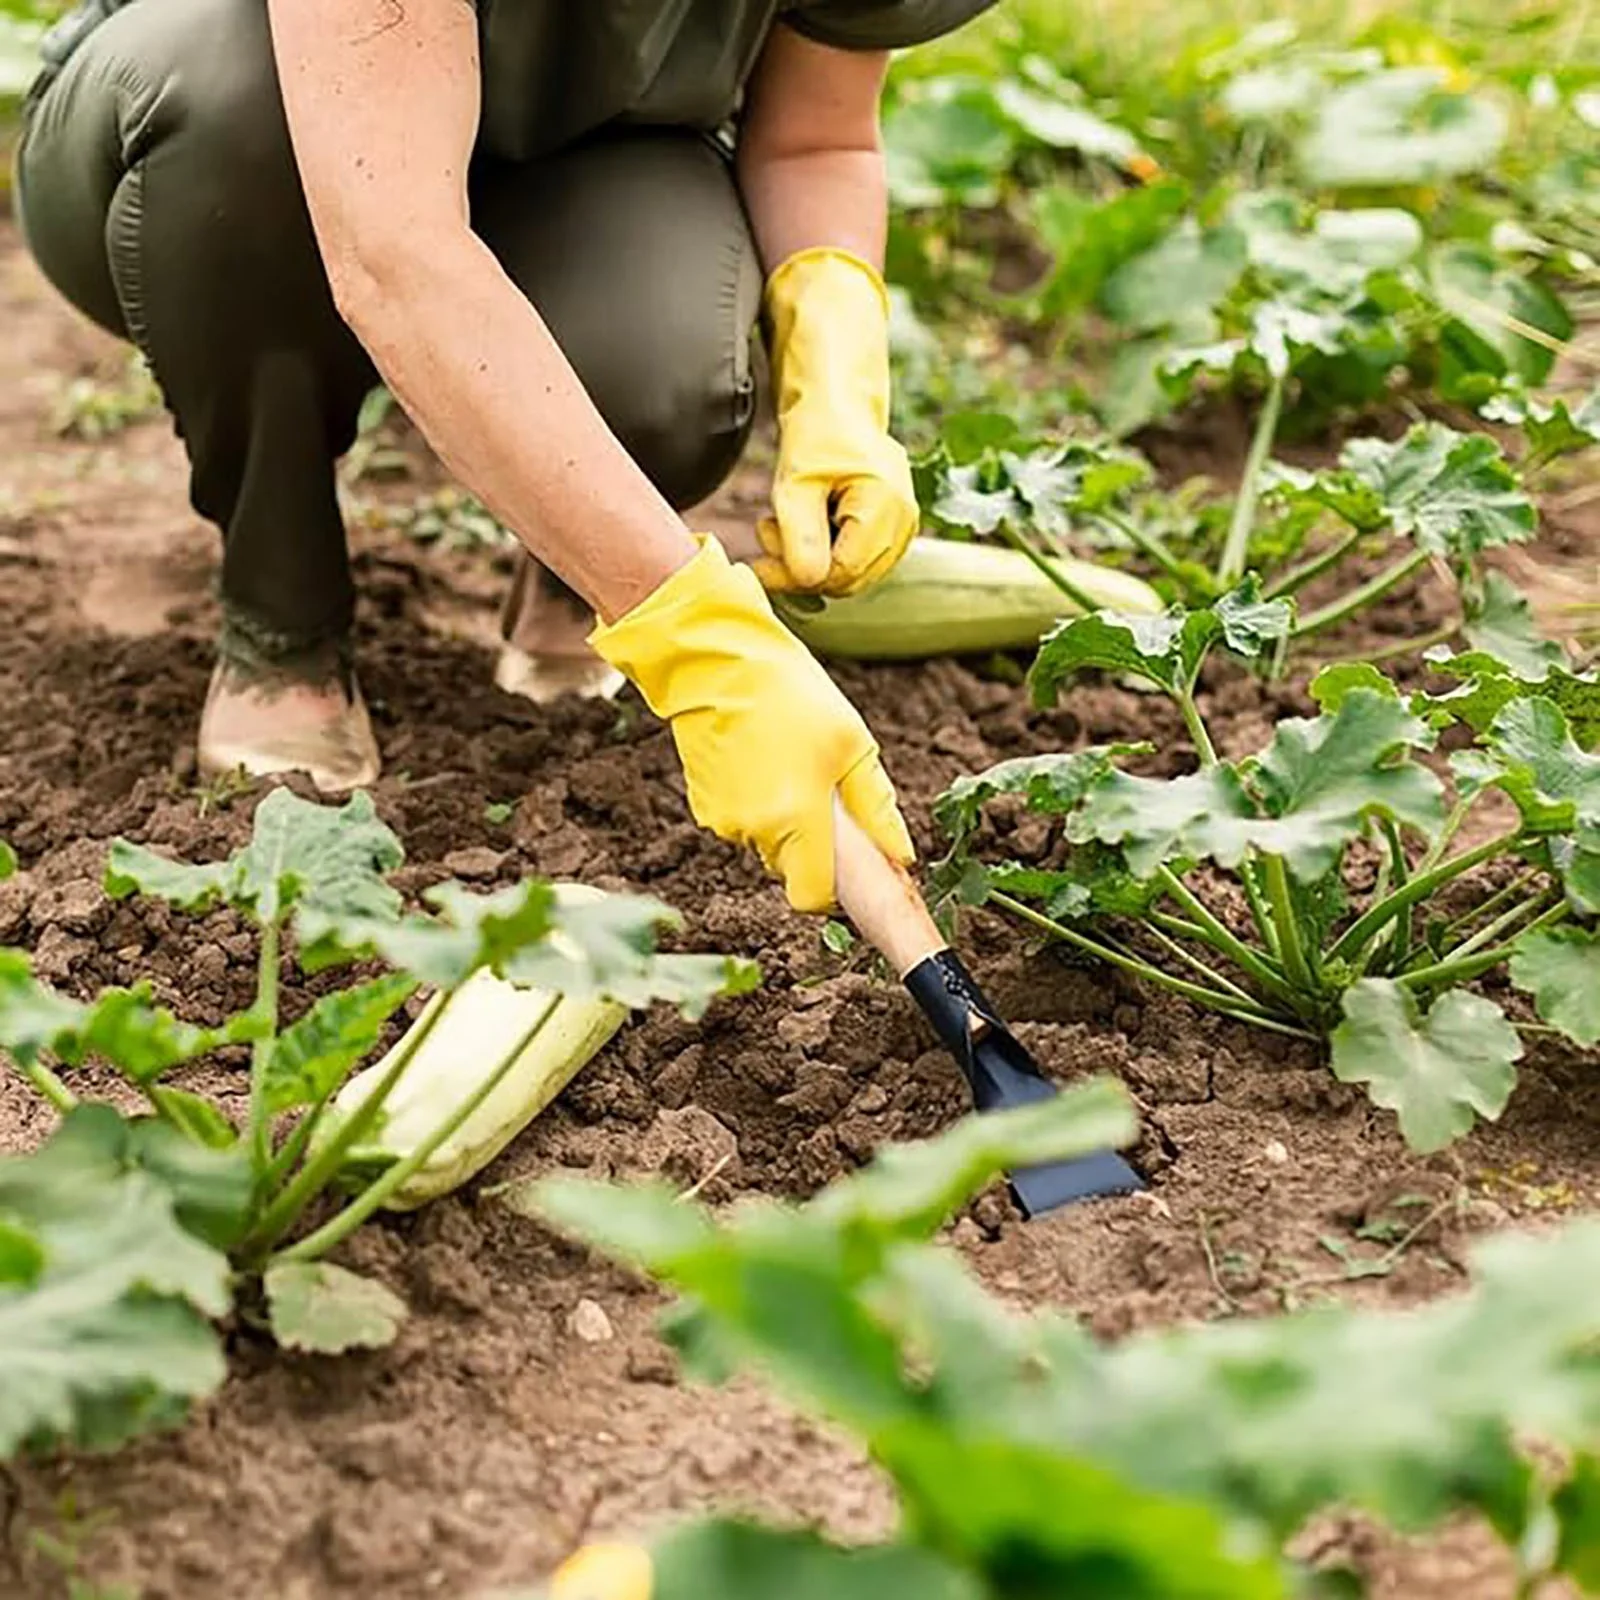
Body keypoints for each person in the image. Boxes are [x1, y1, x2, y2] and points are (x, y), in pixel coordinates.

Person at [13, 0, 1000, 913]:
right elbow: (394, 251)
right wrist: (702, 641)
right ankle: (282, 616)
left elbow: (817, 134)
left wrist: (835, 377)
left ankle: (575, 568)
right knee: (236, 115)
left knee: (665, 367)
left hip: (578, 150)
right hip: (227, 129)